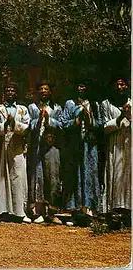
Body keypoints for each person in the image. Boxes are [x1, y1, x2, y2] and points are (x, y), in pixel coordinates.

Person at [0, 83, 31, 223]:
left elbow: (27, 126)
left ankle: (19, 211)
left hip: (17, 146)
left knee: (18, 177)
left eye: (13, 90)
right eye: (7, 89)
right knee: (1, 177)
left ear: (16, 93)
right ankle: (1, 210)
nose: (10, 92)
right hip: (2, 146)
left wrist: (14, 124)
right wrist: (4, 125)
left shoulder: (22, 109)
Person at [61, 80, 102, 221]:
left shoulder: (94, 104)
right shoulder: (70, 104)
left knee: (90, 173)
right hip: (74, 145)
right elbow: (63, 123)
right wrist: (75, 122)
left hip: (90, 146)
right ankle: (76, 210)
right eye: (79, 85)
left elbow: (100, 123)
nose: (81, 88)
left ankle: (90, 209)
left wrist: (90, 120)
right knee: (75, 175)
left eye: (84, 85)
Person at [27, 80, 63, 224]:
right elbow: (27, 123)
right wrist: (39, 119)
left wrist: (49, 120)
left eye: (46, 89)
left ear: (50, 92)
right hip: (36, 146)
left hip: (52, 146)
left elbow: (62, 124)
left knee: (53, 177)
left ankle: (52, 212)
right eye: (40, 88)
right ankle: (39, 212)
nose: (43, 91)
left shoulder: (57, 108)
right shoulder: (32, 107)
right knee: (38, 177)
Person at [101, 76, 131, 219]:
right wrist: (120, 118)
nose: (119, 88)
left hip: (130, 142)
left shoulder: (131, 102)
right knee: (115, 173)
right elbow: (105, 127)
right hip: (114, 144)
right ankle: (115, 208)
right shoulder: (106, 104)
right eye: (117, 85)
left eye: (123, 84)